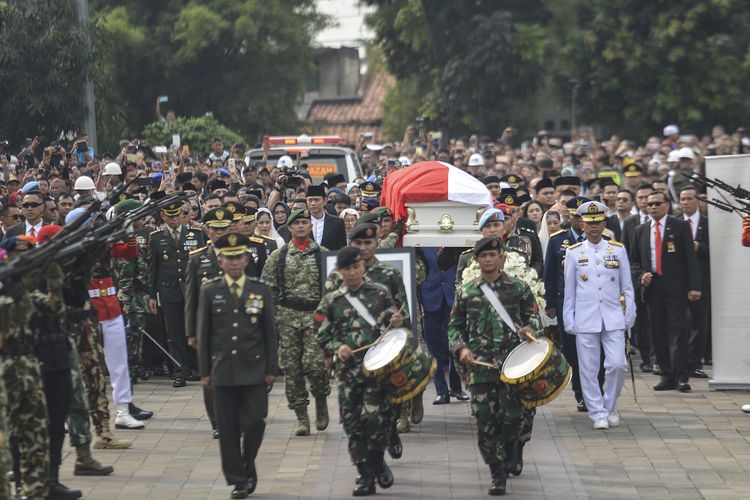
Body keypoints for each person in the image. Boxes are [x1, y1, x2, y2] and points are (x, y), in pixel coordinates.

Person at [448, 237, 542, 496]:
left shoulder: (518, 288)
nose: (488, 259)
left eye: (493, 254)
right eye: (483, 256)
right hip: (480, 369)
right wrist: (461, 348)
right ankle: (497, 474)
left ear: (502, 257)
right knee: (485, 423)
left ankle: (512, 447)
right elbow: (454, 326)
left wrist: (529, 331)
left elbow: (534, 318)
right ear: (476, 260)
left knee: (513, 419)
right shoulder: (466, 291)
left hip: (513, 367)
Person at [315, 246, 403, 497]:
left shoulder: (379, 292)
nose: (353, 272)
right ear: (339, 271)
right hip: (348, 373)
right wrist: (336, 347)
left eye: (356, 267)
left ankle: (376, 459)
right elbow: (322, 332)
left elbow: (394, 318)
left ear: (363, 267)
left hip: (377, 370)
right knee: (353, 424)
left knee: (376, 419)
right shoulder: (331, 301)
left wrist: (395, 319)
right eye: (347, 269)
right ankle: (365, 475)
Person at [197, 233, 278, 499]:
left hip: (254, 369)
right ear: (220, 261)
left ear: (246, 259)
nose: (234, 263)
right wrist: (205, 372)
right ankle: (238, 479)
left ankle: (248, 461)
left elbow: (269, 334)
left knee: (255, 421)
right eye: (228, 258)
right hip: (222, 370)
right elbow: (204, 335)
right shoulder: (210, 291)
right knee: (228, 428)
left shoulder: (260, 289)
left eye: (238, 257)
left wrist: (271, 369)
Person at [322, 223, 412, 456]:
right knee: (354, 416)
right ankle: (367, 466)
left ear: (377, 243)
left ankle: (390, 431)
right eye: (358, 243)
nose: (363, 248)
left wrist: (402, 329)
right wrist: (328, 355)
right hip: (351, 356)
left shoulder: (389, 274)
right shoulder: (335, 278)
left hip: (383, 353)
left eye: (368, 243)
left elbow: (403, 311)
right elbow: (325, 318)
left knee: (386, 406)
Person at [563, 201, 635, 429]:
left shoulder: (617, 249)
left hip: (613, 315)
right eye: (589, 223)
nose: (594, 227)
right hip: (585, 316)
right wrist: (568, 318)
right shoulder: (574, 252)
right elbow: (570, 290)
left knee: (617, 364)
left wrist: (630, 315)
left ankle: (609, 405)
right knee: (588, 368)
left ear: (605, 222)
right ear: (581, 224)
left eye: (598, 222)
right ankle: (597, 413)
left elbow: (628, 287)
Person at [260, 208, 330, 436]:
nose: (301, 226)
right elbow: (267, 289)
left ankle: (320, 399)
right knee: (292, 368)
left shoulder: (324, 255)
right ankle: (301, 416)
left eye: (305, 222)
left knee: (315, 365)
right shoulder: (278, 256)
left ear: (311, 227)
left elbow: (335, 289)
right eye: (296, 223)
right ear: (289, 228)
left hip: (316, 318)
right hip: (288, 319)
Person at [628, 190, 701, 392]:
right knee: (657, 333)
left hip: (676, 287)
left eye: (657, 203)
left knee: (678, 333)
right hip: (652, 287)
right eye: (649, 204)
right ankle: (666, 375)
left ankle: (681, 376)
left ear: (667, 205)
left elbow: (690, 259)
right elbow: (633, 261)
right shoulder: (640, 230)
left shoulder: (679, 226)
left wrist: (694, 286)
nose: (652, 207)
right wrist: (641, 275)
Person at [543, 196, 594, 411]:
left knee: (592, 350)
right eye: (574, 215)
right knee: (572, 351)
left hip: (591, 304)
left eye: (582, 216)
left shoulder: (597, 239)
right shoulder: (557, 240)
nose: (578, 220)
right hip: (566, 304)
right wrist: (551, 303)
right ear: (568, 216)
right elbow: (550, 274)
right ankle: (581, 393)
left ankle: (594, 389)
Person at [147, 201, 206, 387]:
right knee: (174, 333)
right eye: (169, 216)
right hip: (169, 291)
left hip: (192, 291)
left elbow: (202, 263)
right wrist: (151, 295)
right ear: (163, 217)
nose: (173, 219)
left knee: (194, 329)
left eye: (177, 215)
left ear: (182, 215)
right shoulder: (156, 238)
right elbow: (152, 269)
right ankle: (179, 370)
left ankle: (195, 368)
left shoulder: (195, 235)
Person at [679, 186, 711, 378]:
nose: (685, 203)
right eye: (682, 199)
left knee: (700, 324)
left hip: (703, 279)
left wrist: (700, 247)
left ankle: (695, 362)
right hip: (679, 281)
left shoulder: (708, 223)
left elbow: (718, 248)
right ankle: (681, 362)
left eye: (689, 199)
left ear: (697, 200)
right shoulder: (674, 223)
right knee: (680, 324)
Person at [306, 185, 347, 250]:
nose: (313, 203)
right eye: (310, 200)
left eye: (316, 200)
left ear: (325, 201)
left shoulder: (337, 222)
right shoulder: (302, 222)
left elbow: (342, 248)